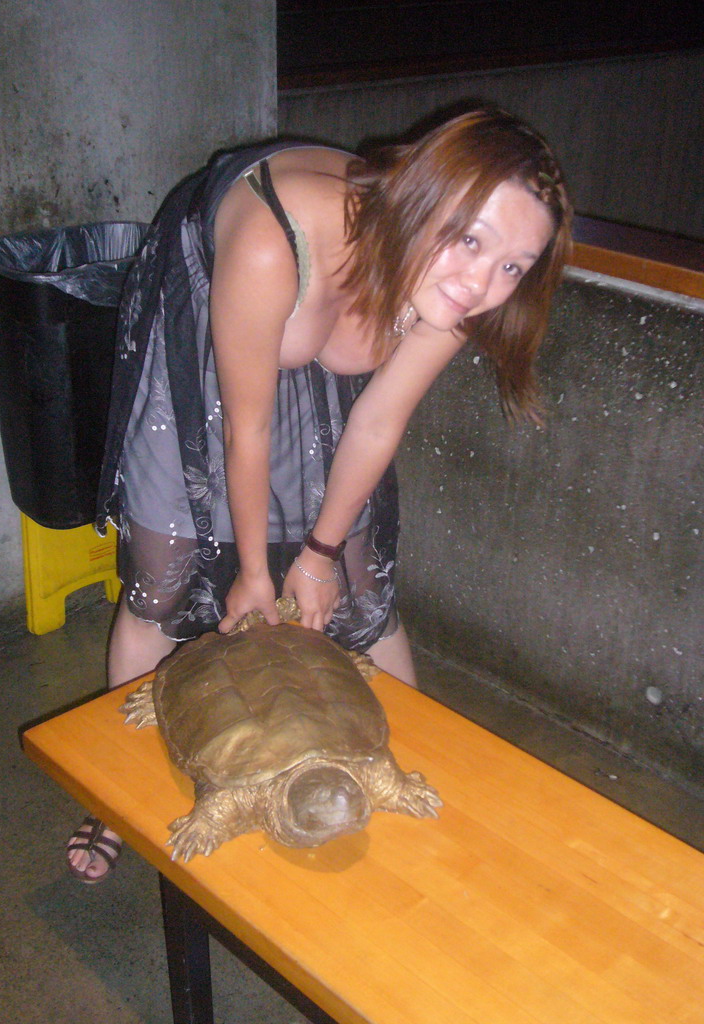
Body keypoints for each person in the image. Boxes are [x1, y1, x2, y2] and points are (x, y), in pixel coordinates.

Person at [66, 105, 572, 882]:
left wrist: (319, 551)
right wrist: (259, 574)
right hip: (226, 303)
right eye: (471, 239)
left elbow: (376, 421)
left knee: (359, 587)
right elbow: (248, 431)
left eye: (515, 265)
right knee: (161, 584)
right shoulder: (273, 244)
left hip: (348, 289)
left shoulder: (459, 290)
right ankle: (109, 799)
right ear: (423, 199)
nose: (483, 283)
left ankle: (427, 777)